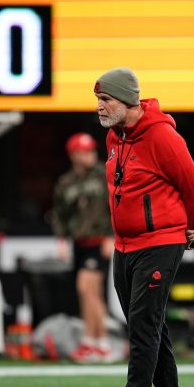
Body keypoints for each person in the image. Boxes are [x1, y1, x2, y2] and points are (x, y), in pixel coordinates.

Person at [90, 67, 194, 387]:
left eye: (105, 99)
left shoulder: (163, 138)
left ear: (127, 100)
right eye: (98, 100)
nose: (99, 107)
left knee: (144, 326)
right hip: (125, 245)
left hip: (160, 241)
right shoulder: (115, 137)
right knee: (148, 326)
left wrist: (193, 227)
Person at [49, 132, 115, 363]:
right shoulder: (66, 182)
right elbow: (59, 214)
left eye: (90, 150)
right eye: (84, 151)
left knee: (86, 287)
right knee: (89, 292)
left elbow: (115, 205)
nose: (89, 155)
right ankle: (94, 342)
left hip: (99, 240)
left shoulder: (103, 174)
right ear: (74, 154)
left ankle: (100, 341)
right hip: (79, 242)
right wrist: (61, 240)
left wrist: (111, 235)